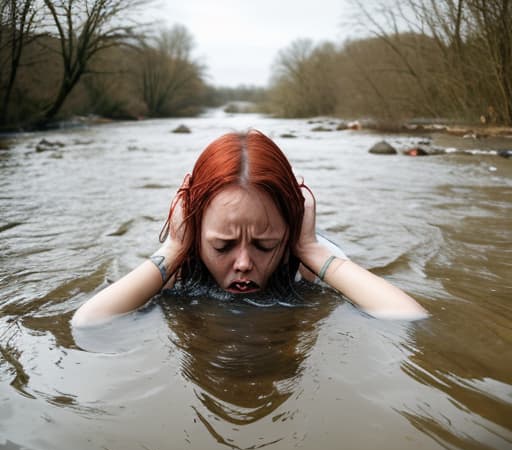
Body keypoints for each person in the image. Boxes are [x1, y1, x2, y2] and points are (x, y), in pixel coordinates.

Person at [72, 129, 427, 327]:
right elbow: (88, 322)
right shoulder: (182, 261)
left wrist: (312, 250)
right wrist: (175, 249)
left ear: (288, 233)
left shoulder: (307, 258)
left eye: (265, 245)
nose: (243, 263)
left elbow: (408, 318)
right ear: (197, 235)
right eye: (223, 246)